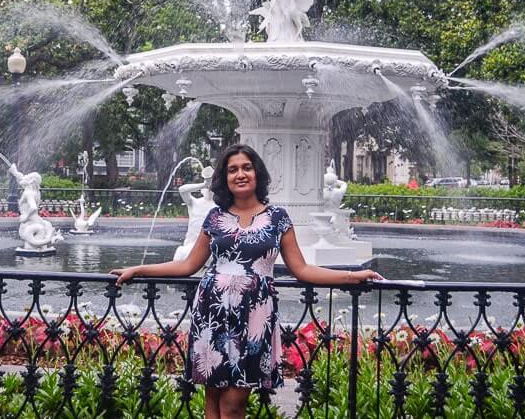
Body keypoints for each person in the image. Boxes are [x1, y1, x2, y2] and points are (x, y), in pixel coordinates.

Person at [110, 144, 382, 419]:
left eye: (246, 167)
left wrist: (351, 276)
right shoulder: (215, 217)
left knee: (234, 401)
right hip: (212, 310)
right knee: (213, 398)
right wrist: (140, 269)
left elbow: (302, 269)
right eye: (233, 170)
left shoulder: (277, 218)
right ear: (224, 178)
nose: (240, 174)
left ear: (257, 174)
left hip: (254, 314)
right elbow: (188, 265)